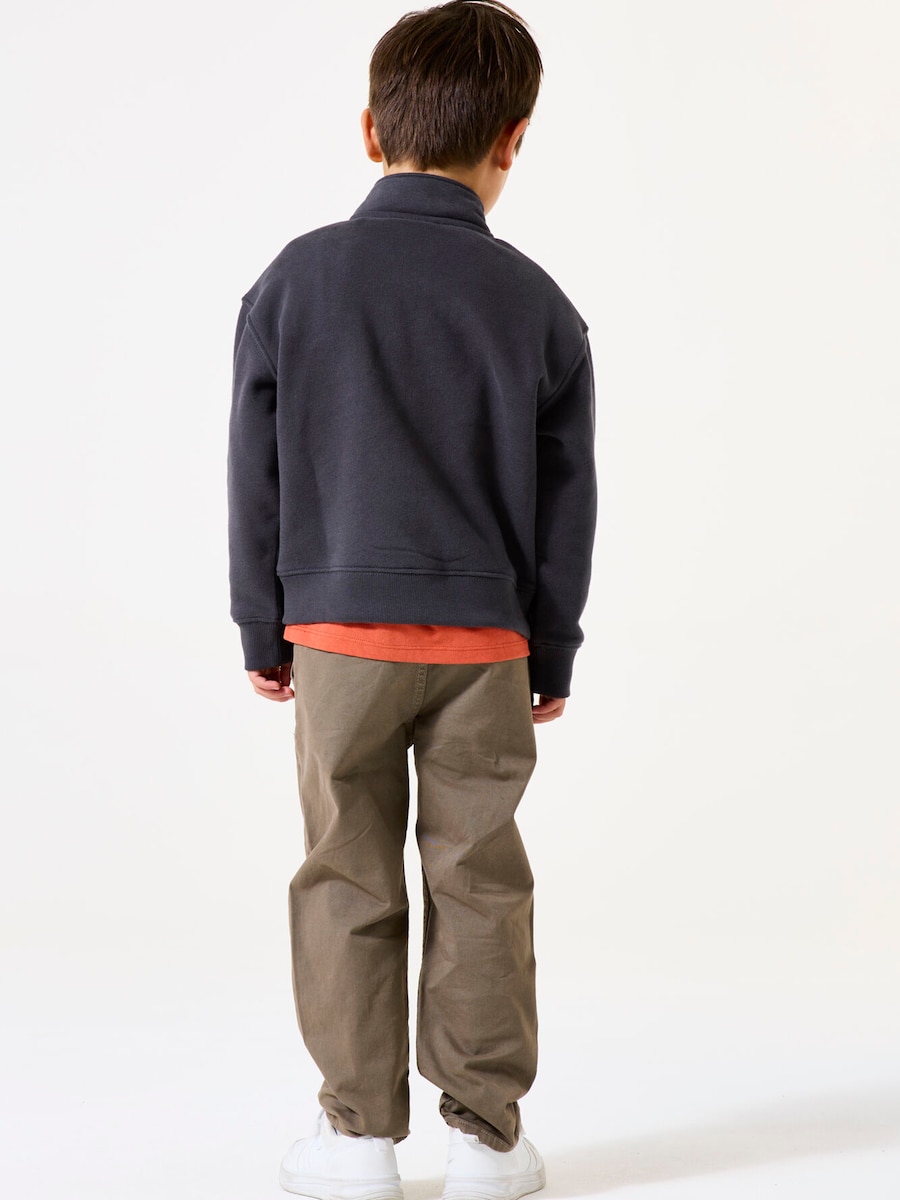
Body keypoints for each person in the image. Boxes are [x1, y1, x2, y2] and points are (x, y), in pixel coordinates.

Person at [227, 3, 597, 1197]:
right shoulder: (538, 305)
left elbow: (255, 473)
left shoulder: (295, 281)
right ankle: (486, 1144)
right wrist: (551, 650)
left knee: (345, 872)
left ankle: (354, 1145)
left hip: (337, 634)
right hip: (486, 643)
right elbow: (566, 502)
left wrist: (260, 623)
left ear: (371, 130)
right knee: (480, 878)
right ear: (515, 140)